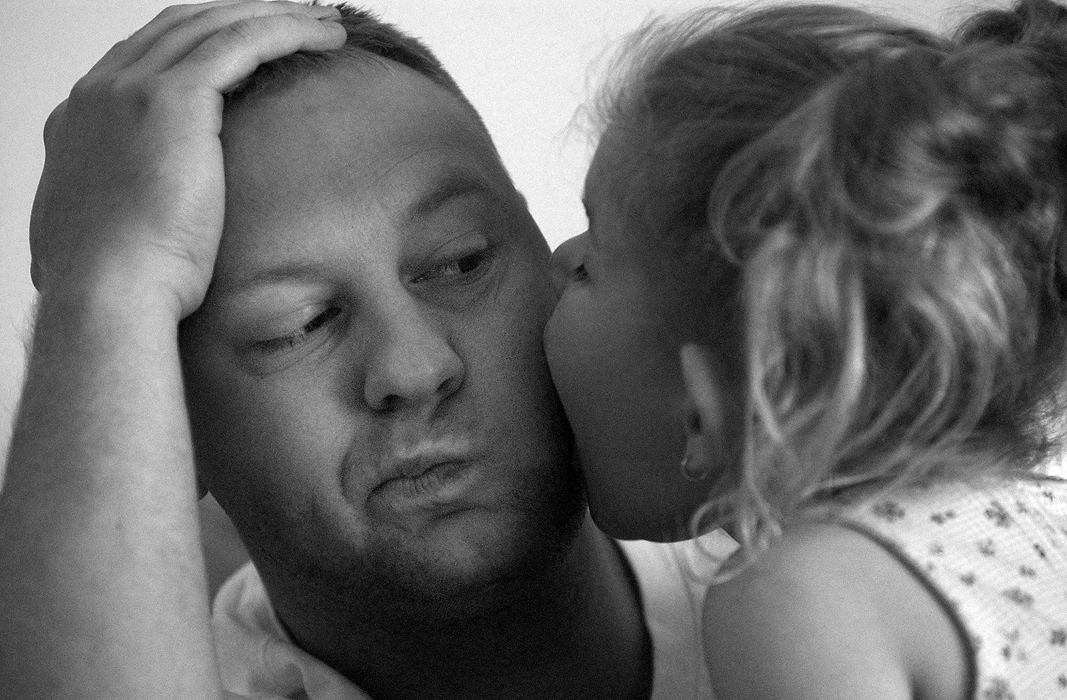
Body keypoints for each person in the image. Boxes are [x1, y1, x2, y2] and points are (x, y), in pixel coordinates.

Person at [0, 2, 731, 698]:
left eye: (462, 261)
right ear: (166, 428)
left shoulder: (801, 538)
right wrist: (106, 282)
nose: (415, 370)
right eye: (298, 325)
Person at [544, 0, 1067, 697]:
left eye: (589, 264)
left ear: (705, 410)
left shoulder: (798, 598)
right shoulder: (1037, 520)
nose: (555, 258)